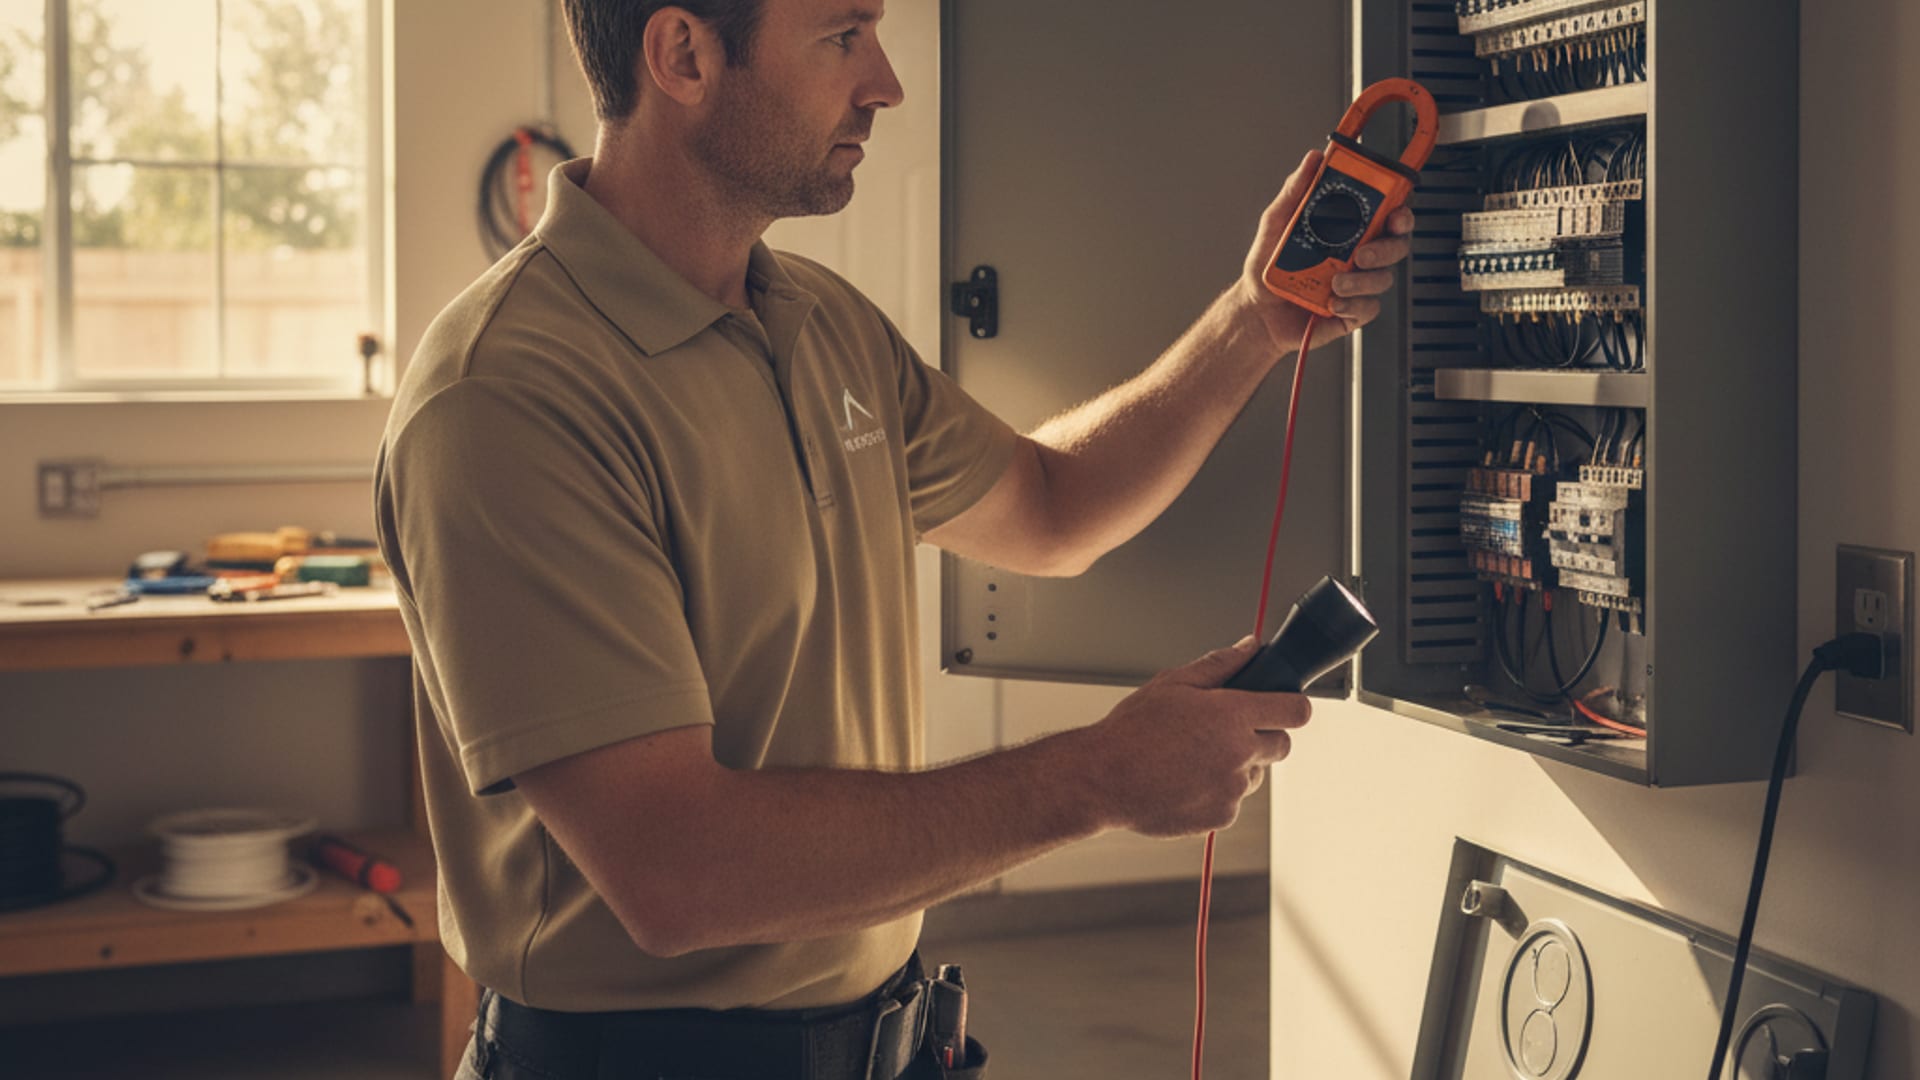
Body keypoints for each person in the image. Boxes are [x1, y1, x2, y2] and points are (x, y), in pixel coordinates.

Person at [375, 1, 1414, 1077]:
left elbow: (1053, 507)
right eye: (840, 37)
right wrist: (1099, 777)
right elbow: (678, 872)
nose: (885, 82)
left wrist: (1253, 320)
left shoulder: (821, 324)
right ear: (682, 54)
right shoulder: (506, 396)